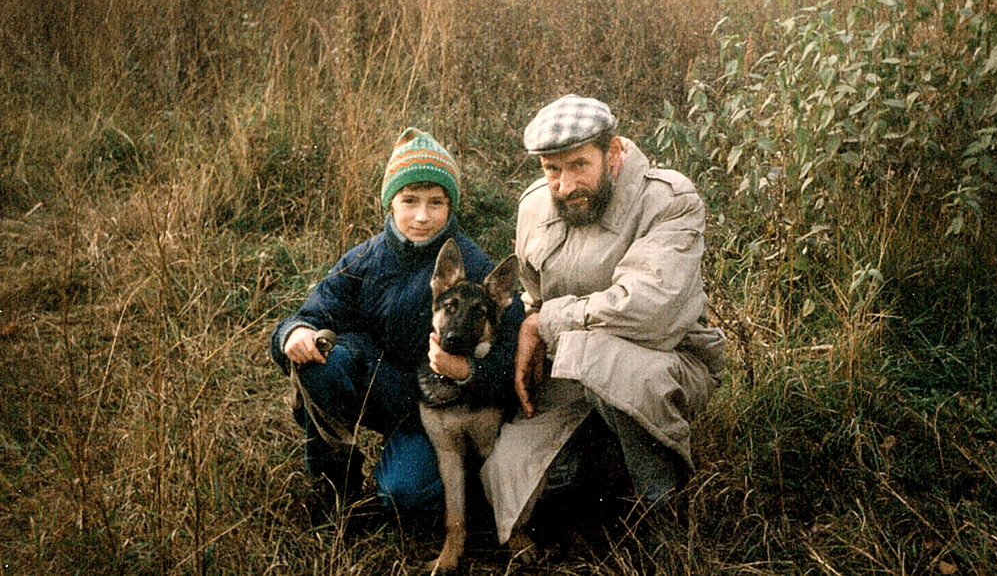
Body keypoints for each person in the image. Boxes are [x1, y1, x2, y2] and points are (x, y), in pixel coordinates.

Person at [480, 95, 726, 552]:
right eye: (552, 169)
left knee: (600, 360)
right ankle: (605, 470)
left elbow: (650, 312)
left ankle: (663, 512)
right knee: (510, 478)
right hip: (571, 371)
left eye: (579, 165)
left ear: (613, 154)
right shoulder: (534, 206)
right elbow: (534, 296)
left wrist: (546, 322)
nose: (566, 184)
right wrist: (534, 321)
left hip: (665, 360)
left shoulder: (669, 200)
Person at [270, 128, 524, 513]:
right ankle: (334, 489)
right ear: (390, 204)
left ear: (451, 206)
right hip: (376, 382)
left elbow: (509, 352)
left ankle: (467, 486)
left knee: (407, 496)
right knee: (319, 364)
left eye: (436, 203)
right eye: (409, 201)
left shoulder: (473, 266)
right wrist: (294, 333)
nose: (422, 216)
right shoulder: (363, 259)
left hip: (436, 409)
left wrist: (467, 370)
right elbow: (313, 312)